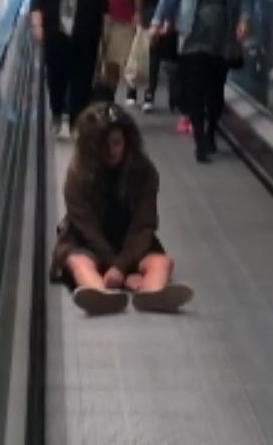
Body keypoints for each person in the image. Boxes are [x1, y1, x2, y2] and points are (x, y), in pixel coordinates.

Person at [52, 103, 194, 314]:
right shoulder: (78, 174)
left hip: (131, 238)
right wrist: (120, 269)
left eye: (117, 143)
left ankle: (152, 294)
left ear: (127, 142)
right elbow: (86, 226)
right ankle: (98, 293)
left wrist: (121, 266)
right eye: (104, 146)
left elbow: (144, 224)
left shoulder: (144, 171)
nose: (111, 152)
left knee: (162, 261)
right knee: (78, 261)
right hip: (88, 240)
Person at [153, 0, 255, 164]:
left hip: (223, 33)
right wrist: (158, 21)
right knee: (194, 88)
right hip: (191, 30)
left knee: (215, 90)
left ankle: (211, 130)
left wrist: (244, 19)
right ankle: (199, 138)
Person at [31, 0, 108, 139]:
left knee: (82, 80)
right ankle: (57, 113)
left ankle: (77, 122)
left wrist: (104, 33)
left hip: (86, 29)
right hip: (56, 28)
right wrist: (37, 22)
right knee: (56, 75)